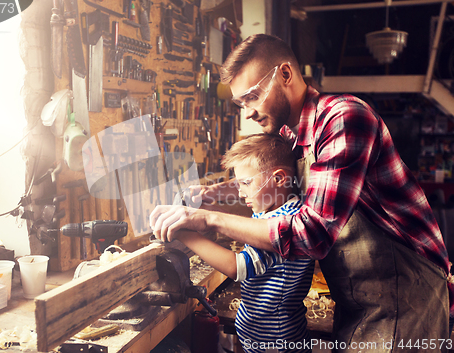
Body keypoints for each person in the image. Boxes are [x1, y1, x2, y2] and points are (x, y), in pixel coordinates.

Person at [150, 34, 453, 351]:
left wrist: (206, 219)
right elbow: (281, 183)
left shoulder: (343, 119)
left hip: (403, 297)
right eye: (241, 103)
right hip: (360, 300)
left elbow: (312, 235)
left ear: (285, 74)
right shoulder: (291, 136)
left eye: (253, 97)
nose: (248, 112)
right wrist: (210, 193)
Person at [175, 133, 314, 352]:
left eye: (246, 183)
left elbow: (237, 267)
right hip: (259, 335)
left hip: (275, 340)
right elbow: (243, 230)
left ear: (279, 179)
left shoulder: (283, 222)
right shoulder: (275, 209)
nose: (240, 192)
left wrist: (184, 234)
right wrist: (204, 210)